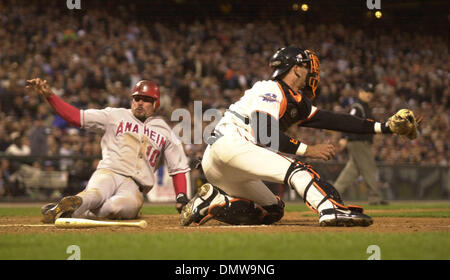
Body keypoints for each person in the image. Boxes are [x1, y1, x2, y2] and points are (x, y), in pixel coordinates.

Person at [180, 46, 419, 227]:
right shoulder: (271, 89)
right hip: (231, 144)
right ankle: (330, 209)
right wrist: (308, 149)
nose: (311, 71)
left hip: (221, 161)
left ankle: (210, 202)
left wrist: (385, 127)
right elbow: (265, 134)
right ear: (296, 68)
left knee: (272, 210)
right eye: (306, 66)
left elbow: (334, 120)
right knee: (300, 171)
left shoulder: (291, 97)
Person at [26, 78, 191, 223]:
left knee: (115, 207)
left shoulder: (165, 131)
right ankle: (70, 206)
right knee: (94, 195)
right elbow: (76, 117)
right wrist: (50, 97)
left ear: (156, 104)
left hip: (135, 186)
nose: (140, 102)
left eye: (146, 99)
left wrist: (181, 197)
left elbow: (178, 168)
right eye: (137, 98)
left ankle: (69, 212)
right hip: (109, 172)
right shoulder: (114, 115)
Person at [334, 83, 388, 205]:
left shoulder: (365, 107)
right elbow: (349, 121)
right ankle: (374, 198)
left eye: (371, 92)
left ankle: (332, 193)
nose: (369, 94)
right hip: (358, 142)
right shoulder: (357, 107)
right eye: (366, 91)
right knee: (369, 168)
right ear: (360, 93)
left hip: (361, 142)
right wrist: (345, 137)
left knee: (351, 171)